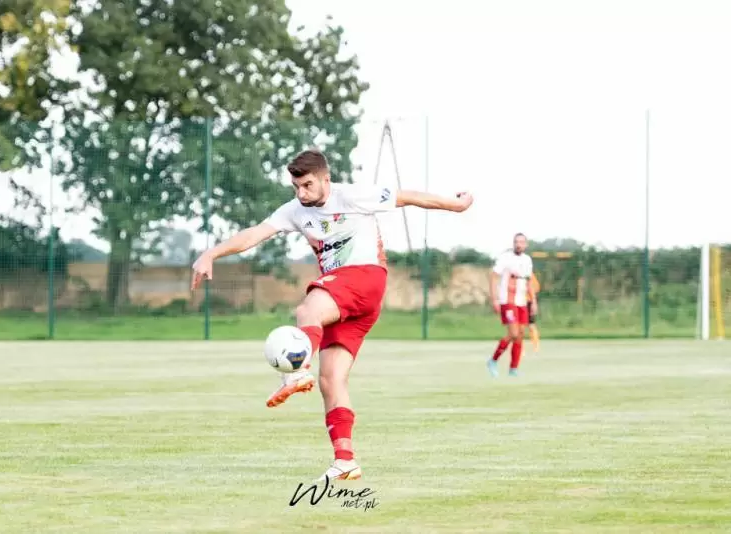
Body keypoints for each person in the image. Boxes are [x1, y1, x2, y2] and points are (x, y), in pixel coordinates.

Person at [191, 148, 473, 481]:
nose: (301, 193)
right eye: (296, 186)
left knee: (307, 309)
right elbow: (254, 233)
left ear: (326, 179)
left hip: (364, 277)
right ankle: (345, 461)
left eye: (307, 185)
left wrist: (455, 205)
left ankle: (296, 372)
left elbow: (407, 197)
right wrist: (212, 253)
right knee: (330, 379)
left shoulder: (352, 195)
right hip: (351, 302)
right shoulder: (296, 210)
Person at [487, 233, 537, 377]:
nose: (518, 245)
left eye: (521, 242)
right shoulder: (505, 258)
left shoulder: (527, 260)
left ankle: (513, 369)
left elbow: (529, 282)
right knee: (513, 333)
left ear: (526, 244)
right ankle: (493, 360)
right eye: (516, 242)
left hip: (522, 302)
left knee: (520, 335)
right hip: (507, 301)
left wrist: (533, 301)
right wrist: (495, 299)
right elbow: (493, 277)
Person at [527, 271, 541, 351]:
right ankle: (520, 349)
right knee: (519, 326)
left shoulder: (529, 274)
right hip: (521, 302)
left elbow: (536, 288)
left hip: (527, 301)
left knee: (531, 324)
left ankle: (536, 345)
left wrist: (533, 301)